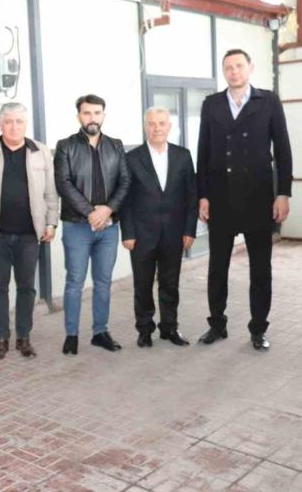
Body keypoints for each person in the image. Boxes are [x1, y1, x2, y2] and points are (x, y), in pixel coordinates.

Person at [196, 48, 292, 351]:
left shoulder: (268, 101)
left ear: (250, 67)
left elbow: (283, 150)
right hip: (221, 198)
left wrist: (283, 193)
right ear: (223, 71)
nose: (234, 71)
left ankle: (258, 329)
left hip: (259, 198)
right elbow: (203, 152)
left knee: (260, 269)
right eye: (228, 67)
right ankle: (217, 325)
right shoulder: (211, 104)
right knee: (217, 268)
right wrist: (203, 195)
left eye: (239, 66)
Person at [0, 103, 58, 360]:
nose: (14, 127)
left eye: (19, 121)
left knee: (26, 288)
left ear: (25, 124)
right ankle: (1, 338)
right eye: (8, 121)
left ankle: (24, 337)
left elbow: (51, 192)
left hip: (29, 235)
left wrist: (51, 222)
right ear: (0, 124)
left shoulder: (40, 151)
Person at [54, 94, 130, 355]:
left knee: (103, 282)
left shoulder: (115, 146)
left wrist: (107, 210)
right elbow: (63, 184)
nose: (92, 118)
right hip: (77, 226)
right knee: (75, 282)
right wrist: (91, 213)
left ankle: (100, 332)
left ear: (103, 115)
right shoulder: (65, 146)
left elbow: (125, 181)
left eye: (97, 113)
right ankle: (71, 335)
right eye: (87, 113)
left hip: (108, 227)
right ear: (79, 116)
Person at [121, 107, 198, 348]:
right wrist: (128, 233)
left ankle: (169, 328)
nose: (157, 128)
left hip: (174, 234)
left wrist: (189, 230)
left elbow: (191, 197)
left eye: (162, 123)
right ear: (146, 127)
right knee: (142, 285)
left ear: (169, 126)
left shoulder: (183, 156)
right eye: (152, 124)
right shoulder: (132, 158)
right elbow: (125, 200)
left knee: (170, 284)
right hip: (142, 235)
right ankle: (145, 330)